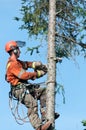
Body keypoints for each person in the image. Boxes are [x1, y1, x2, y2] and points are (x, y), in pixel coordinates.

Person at [5, 40, 60, 130]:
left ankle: (45, 113)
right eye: (18, 49)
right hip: (19, 90)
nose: (20, 51)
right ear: (14, 50)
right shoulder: (12, 64)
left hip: (25, 87)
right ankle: (38, 127)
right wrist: (38, 73)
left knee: (44, 91)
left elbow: (27, 64)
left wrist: (36, 64)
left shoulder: (17, 62)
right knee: (32, 103)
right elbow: (24, 75)